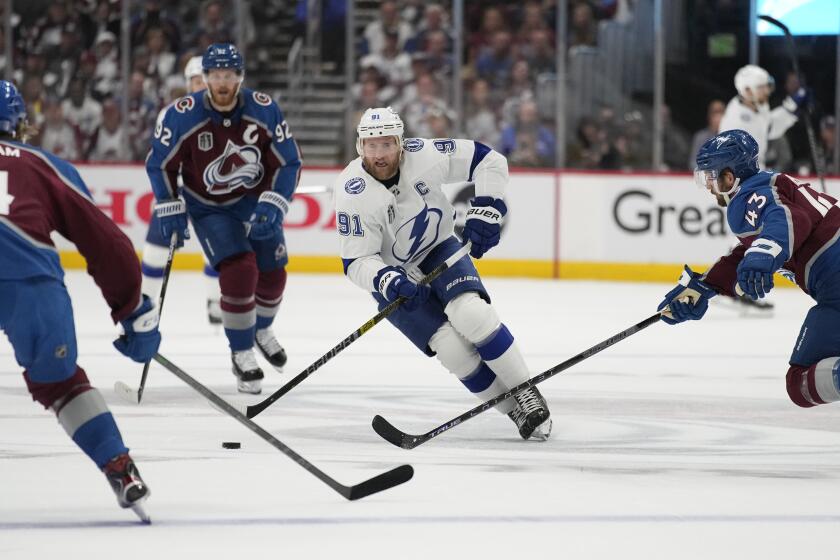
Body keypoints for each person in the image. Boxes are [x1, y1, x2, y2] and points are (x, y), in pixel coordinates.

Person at [333, 107, 552, 441]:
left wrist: (488, 206)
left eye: (387, 144)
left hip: (439, 247)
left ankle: (526, 391)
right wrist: (387, 280)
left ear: (401, 143)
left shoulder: (424, 156)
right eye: (371, 145)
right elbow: (357, 260)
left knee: (472, 314)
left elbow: (489, 160)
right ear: (360, 146)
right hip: (394, 274)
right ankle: (514, 410)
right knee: (451, 349)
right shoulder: (351, 192)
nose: (379, 154)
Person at [0, 81, 160, 522]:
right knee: (62, 383)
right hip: (29, 282)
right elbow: (105, 242)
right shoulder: (41, 165)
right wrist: (132, 310)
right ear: (18, 124)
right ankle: (120, 468)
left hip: (28, 278)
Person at [146, 43, 302, 394]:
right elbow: (159, 163)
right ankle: (242, 352)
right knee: (240, 269)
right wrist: (169, 205)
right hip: (209, 206)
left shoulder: (264, 109)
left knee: (274, 273)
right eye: (215, 75)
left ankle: (261, 328)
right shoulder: (182, 114)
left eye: (228, 75)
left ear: (239, 77)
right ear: (205, 77)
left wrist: (275, 201)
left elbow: (289, 161)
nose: (221, 82)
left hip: (254, 202)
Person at [657, 129, 840, 409]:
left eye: (711, 176)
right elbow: (755, 244)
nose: (708, 186)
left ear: (729, 177)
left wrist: (762, 256)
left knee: (800, 382)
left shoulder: (745, 199)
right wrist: (707, 285)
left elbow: (788, 219)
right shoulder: (766, 186)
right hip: (833, 290)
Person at [140, 55, 223, 325]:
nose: (199, 85)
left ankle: (215, 301)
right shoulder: (171, 113)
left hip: (211, 194)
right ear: (188, 84)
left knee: (218, 246)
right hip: (175, 191)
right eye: (195, 80)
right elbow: (160, 156)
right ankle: (145, 304)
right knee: (155, 249)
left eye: (204, 79)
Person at [719, 64, 806, 170]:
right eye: (761, 87)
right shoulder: (736, 121)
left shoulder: (757, 106)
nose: (766, 91)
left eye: (766, 86)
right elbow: (768, 129)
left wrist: (791, 108)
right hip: (741, 177)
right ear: (747, 91)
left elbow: (769, 125)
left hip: (755, 172)